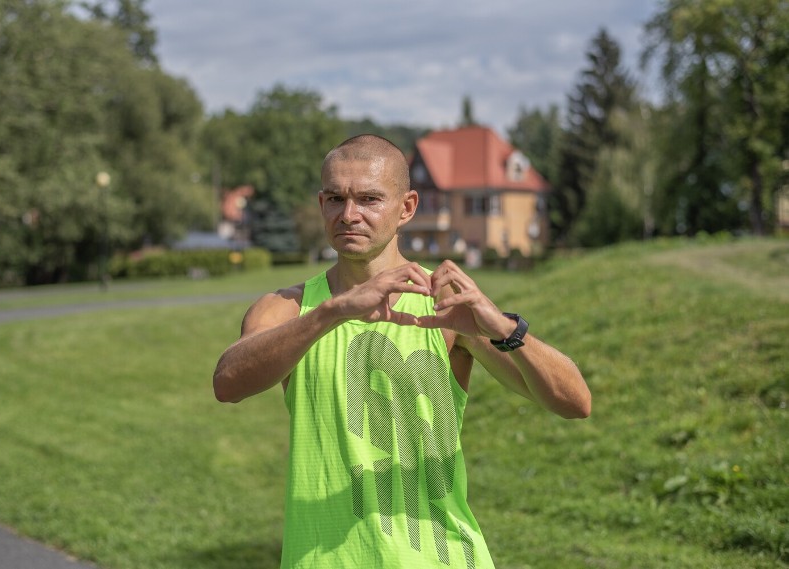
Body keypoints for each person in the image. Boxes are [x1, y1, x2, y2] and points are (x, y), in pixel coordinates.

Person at [213, 134, 591, 569]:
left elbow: (574, 402)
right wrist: (333, 312)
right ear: (321, 205)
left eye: (369, 199)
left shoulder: (445, 305)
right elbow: (228, 383)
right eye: (335, 198)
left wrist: (503, 328)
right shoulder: (288, 308)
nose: (349, 214)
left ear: (407, 207)